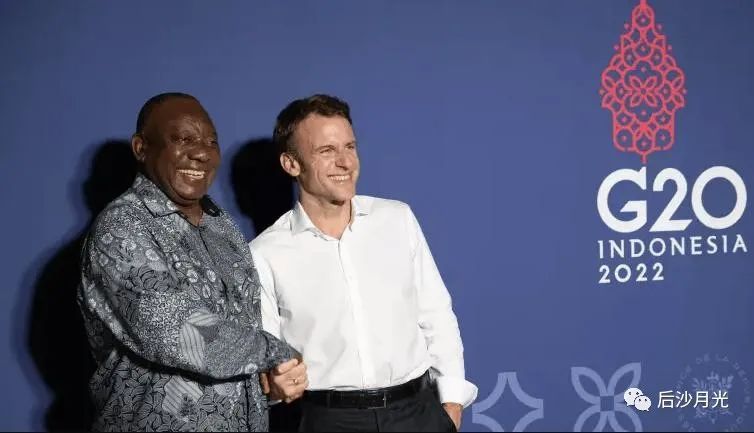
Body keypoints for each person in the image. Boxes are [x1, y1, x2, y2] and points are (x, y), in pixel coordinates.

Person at [77, 92, 308, 431]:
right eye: (183, 139)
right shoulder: (122, 227)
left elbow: (243, 331)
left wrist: (273, 377)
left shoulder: (221, 225)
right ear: (141, 148)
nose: (202, 152)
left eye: (211, 141)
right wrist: (277, 353)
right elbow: (182, 332)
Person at [250, 94, 477, 432]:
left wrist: (451, 406)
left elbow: (436, 315)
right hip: (327, 421)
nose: (345, 162)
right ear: (291, 164)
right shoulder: (265, 253)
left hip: (418, 414)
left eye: (350, 147)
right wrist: (274, 383)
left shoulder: (397, 219)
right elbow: (267, 359)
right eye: (327, 151)